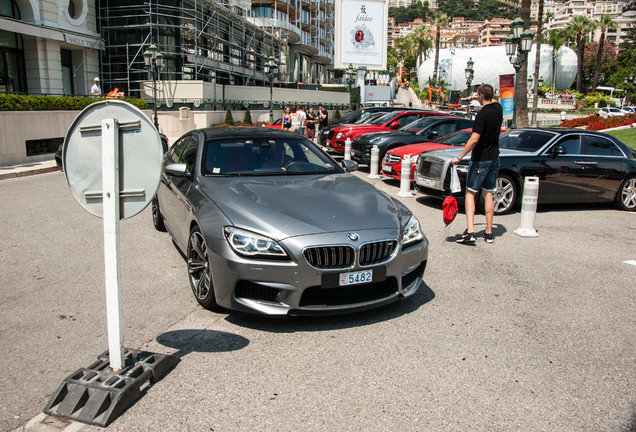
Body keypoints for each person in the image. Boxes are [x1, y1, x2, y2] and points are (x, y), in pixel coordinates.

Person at [450, 84, 503, 245]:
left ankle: (470, 231)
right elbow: (493, 99)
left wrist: (459, 157)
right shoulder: (498, 109)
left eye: (477, 96)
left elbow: (474, 138)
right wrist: (477, 97)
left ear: (480, 95)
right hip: (494, 157)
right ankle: (488, 233)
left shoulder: (482, 114)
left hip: (480, 158)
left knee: (470, 193)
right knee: (488, 193)